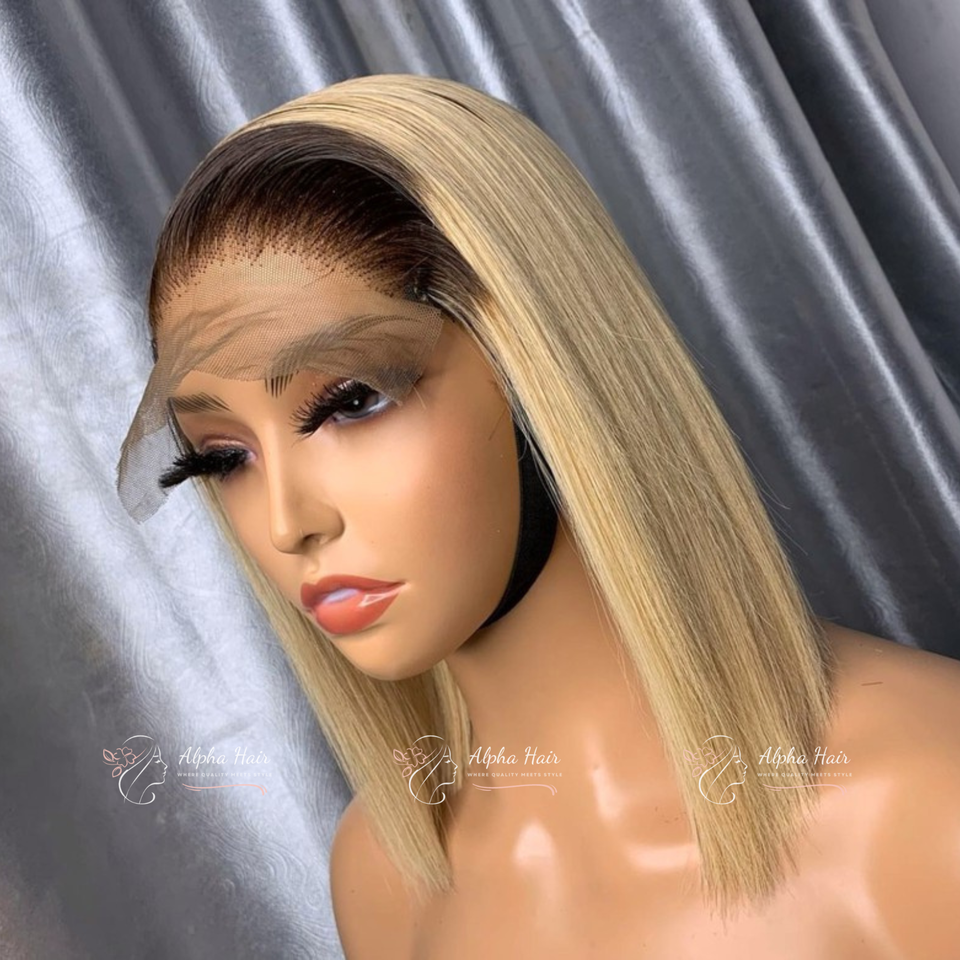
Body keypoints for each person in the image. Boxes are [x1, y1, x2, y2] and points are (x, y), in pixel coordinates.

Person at [117, 74, 960, 958]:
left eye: (352, 402)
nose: (287, 522)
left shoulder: (923, 806)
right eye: (224, 457)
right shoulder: (387, 882)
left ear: (537, 361)